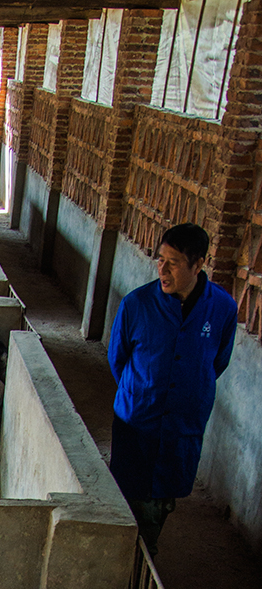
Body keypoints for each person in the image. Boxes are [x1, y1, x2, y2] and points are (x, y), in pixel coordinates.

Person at [108, 222, 237, 556]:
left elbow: (216, 362)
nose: (162, 269)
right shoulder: (137, 305)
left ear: (197, 265)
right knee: (128, 494)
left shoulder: (222, 308)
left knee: (163, 496)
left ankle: (144, 556)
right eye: (160, 260)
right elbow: (118, 360)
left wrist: (186, 393)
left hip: (182, 423)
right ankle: (132, 559)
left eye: (173, 263)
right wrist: (145, 390)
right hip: (139, 419)